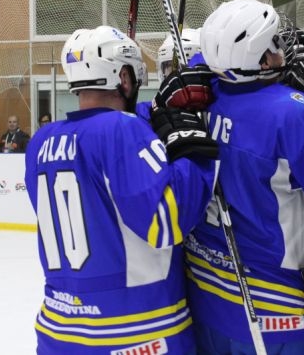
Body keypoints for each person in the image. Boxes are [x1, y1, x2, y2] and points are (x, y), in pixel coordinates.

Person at [177, 0, 304, 354]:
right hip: (284, 313)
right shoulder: (290, 113)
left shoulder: (199, 98)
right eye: (275, 43)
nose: (282, 50)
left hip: (209, 304)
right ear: (260, 59)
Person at [24, 25, 218, 355]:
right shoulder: (123, 130)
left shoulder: (41, 141)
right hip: (136, 333)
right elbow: (165, 220)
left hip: (58, 332)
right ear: (124, 78)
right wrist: (194, 154)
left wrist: (159, 112)